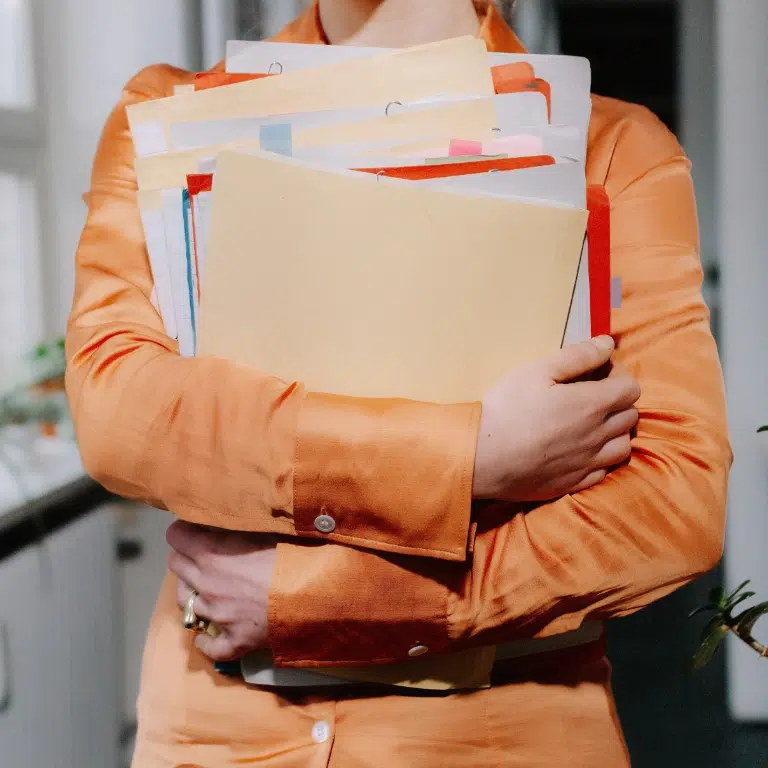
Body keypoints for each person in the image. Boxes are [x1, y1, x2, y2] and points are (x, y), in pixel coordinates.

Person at [65, 0, 731, 765]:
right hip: (217, 730)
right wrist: (472, 456)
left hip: (502, 734)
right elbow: (120, 411)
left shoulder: (615, 146)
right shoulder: (161, 113)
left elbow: (675, 503)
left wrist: (322, 601)